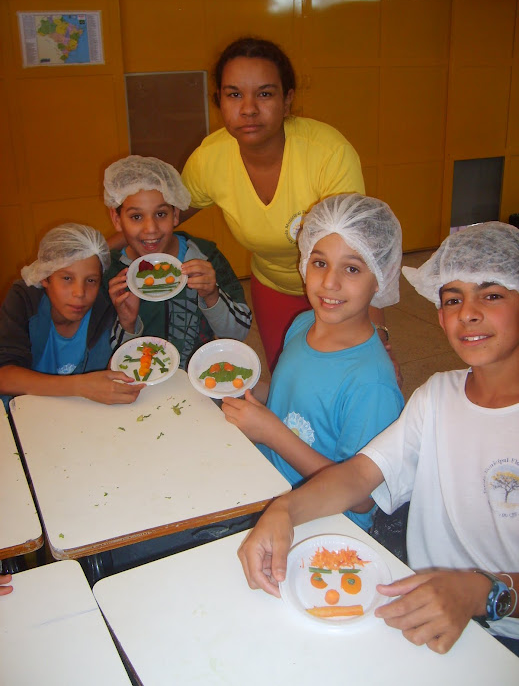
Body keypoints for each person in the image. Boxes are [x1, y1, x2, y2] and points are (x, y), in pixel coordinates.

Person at [237, 221, 519, 656]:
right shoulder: (437, 396)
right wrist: (285, 510)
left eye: (493, 295)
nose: (469, 312)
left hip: (504, 632)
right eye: (453, 298)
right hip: (414, 607)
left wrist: (485, 593)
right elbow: (358, 476)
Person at [181, 37, 395, 371]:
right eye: (234, 94)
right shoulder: (210, 157)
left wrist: (379, 336)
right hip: (275, 286)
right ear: (219, 100)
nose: (249, 108)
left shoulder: (327, 153)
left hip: (339, 286)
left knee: (343, 374)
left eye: (265, 93)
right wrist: (94, 252)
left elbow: (363, 250)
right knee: (286, 375)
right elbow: (163, 216)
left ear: (287, 100)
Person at [222, 193, 404, 532]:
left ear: (381, 276)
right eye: (320, 262)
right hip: (267, 482)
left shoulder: (371, 384)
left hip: (327, 525)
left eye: (352, 268)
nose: (329, 283)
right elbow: (292, 400)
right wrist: (239, 389)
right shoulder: (303, 323)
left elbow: (362, 499)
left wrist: (271, 434)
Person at [104, 155, 252, 369]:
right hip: (142, 382)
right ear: (117, 219)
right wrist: (127, 323)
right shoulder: (113, 273)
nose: (151, 228)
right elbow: (110, 363)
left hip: (196, 375)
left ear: (176, 215)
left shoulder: (204, 256)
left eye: (161, 214)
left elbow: (239, 332)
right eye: (136, 217)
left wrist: (212, 295)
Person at [0, 223, 145, 406]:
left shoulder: (105, 305)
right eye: (67, 278)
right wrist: (80, 386)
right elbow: (4, 376)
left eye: (91, 280)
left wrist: (127, 322)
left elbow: (121, 373)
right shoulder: (25, 299)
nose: (79, 293)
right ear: (45, 276)